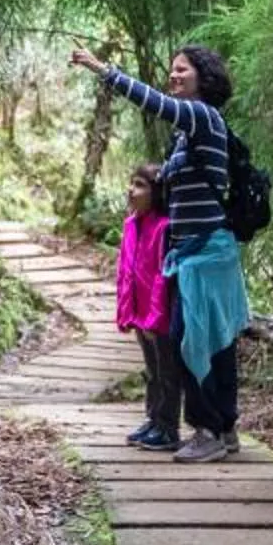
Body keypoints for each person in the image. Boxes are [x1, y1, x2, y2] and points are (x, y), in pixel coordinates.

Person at [70, 43, 246, 461]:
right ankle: (225, 428)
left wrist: (102, 69)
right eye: (172, 70)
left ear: (203, 77)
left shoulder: (201, 115)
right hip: (197, 253)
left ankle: (209, 430)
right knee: (213, 342)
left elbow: (154, 102)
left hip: (206, 253)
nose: (174, 75)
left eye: (182, 70)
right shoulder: (188, 133)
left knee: (192, 342)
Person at [113, 161, 184, 449]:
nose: (132, 191)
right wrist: (126, 311)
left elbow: (162, 276)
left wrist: (155, 318)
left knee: (167, 370)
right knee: (152, 370)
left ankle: (168, 428)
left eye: (140, 185)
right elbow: (125, 269)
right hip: (140, 311)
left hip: (160, 314)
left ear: (156, 192)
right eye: (131, 183)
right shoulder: (131, 224)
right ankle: (154, 419)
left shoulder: (164, 227)